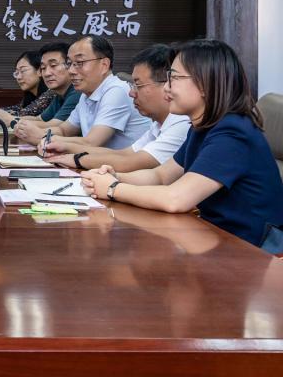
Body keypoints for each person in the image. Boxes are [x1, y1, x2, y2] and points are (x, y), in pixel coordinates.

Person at [82, 39, 283, 248]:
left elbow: (176, 199)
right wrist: (114, 176)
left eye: (174, 78)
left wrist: (112, 188)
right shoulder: (202, 126)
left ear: (204, 84)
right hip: (216, 237)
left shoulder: (232, 132)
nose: (166, 88)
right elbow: (160, 176)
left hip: (254, 251)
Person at [44, 44, 191, 172]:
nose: (131, 93)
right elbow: (124, 154)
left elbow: (133, 162)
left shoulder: (182, 122)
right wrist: (66, 148)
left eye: (138, 85)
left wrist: (76, 159)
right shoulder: (159, 124)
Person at [14, 35, 150, 148]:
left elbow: (91, 142)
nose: (71, 71)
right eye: (70, 64)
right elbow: (64, 130)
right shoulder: (86, 95)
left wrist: (42, 136)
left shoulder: (116, 91)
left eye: (79, 63)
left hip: (130, 168)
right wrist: (31, 131)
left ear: (104, 65)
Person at [0, 42, 80, 127]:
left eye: (53, 65)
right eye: (43, 68)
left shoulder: (77, 92)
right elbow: (40, 119)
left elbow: (56, 125)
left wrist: (11, 120)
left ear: (70, 65)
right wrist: (6, 117)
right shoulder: (59, 95)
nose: (47, 73)